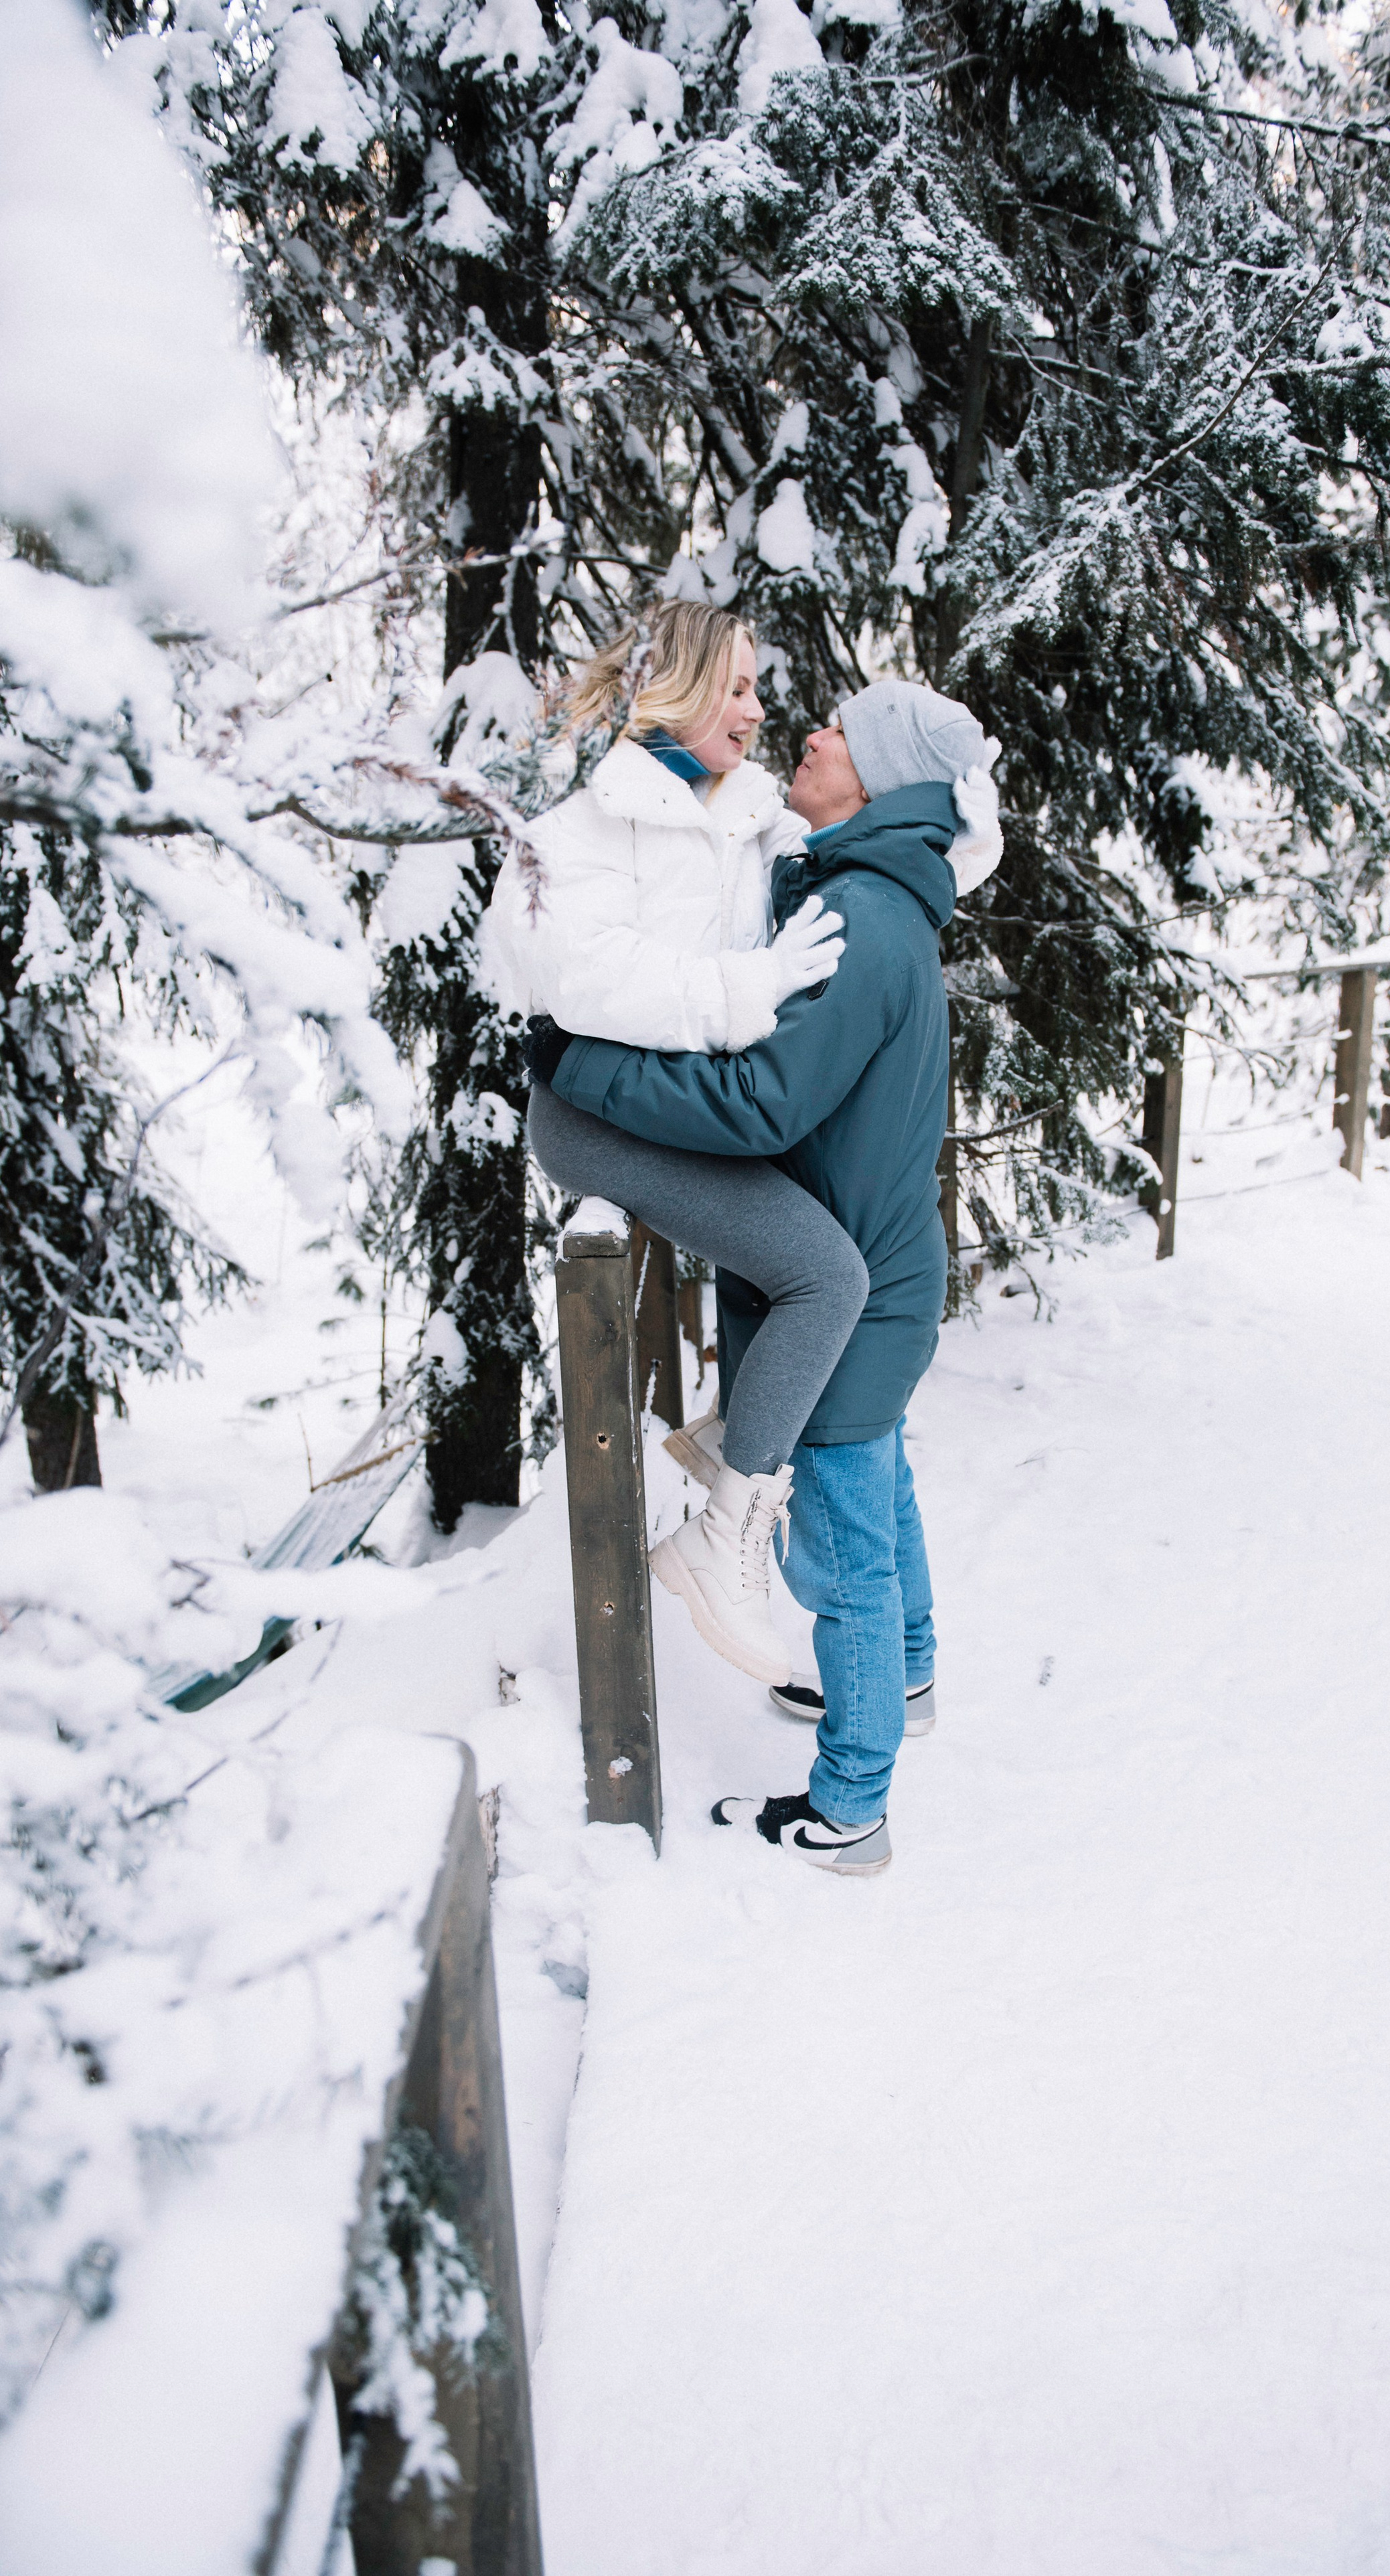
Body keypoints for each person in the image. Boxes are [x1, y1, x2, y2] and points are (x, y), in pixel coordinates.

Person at [526, 677, 1000, 1877]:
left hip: (858, 1297)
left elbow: (762, 1100)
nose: (811, 732)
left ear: (883, 779)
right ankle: (908, 1678)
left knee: (846, 1551)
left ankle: (851, 1808)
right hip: (889, 1271)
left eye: (841, 731)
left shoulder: (866, 921)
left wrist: (591, 1075)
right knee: (883, 1500)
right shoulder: (879, 898)